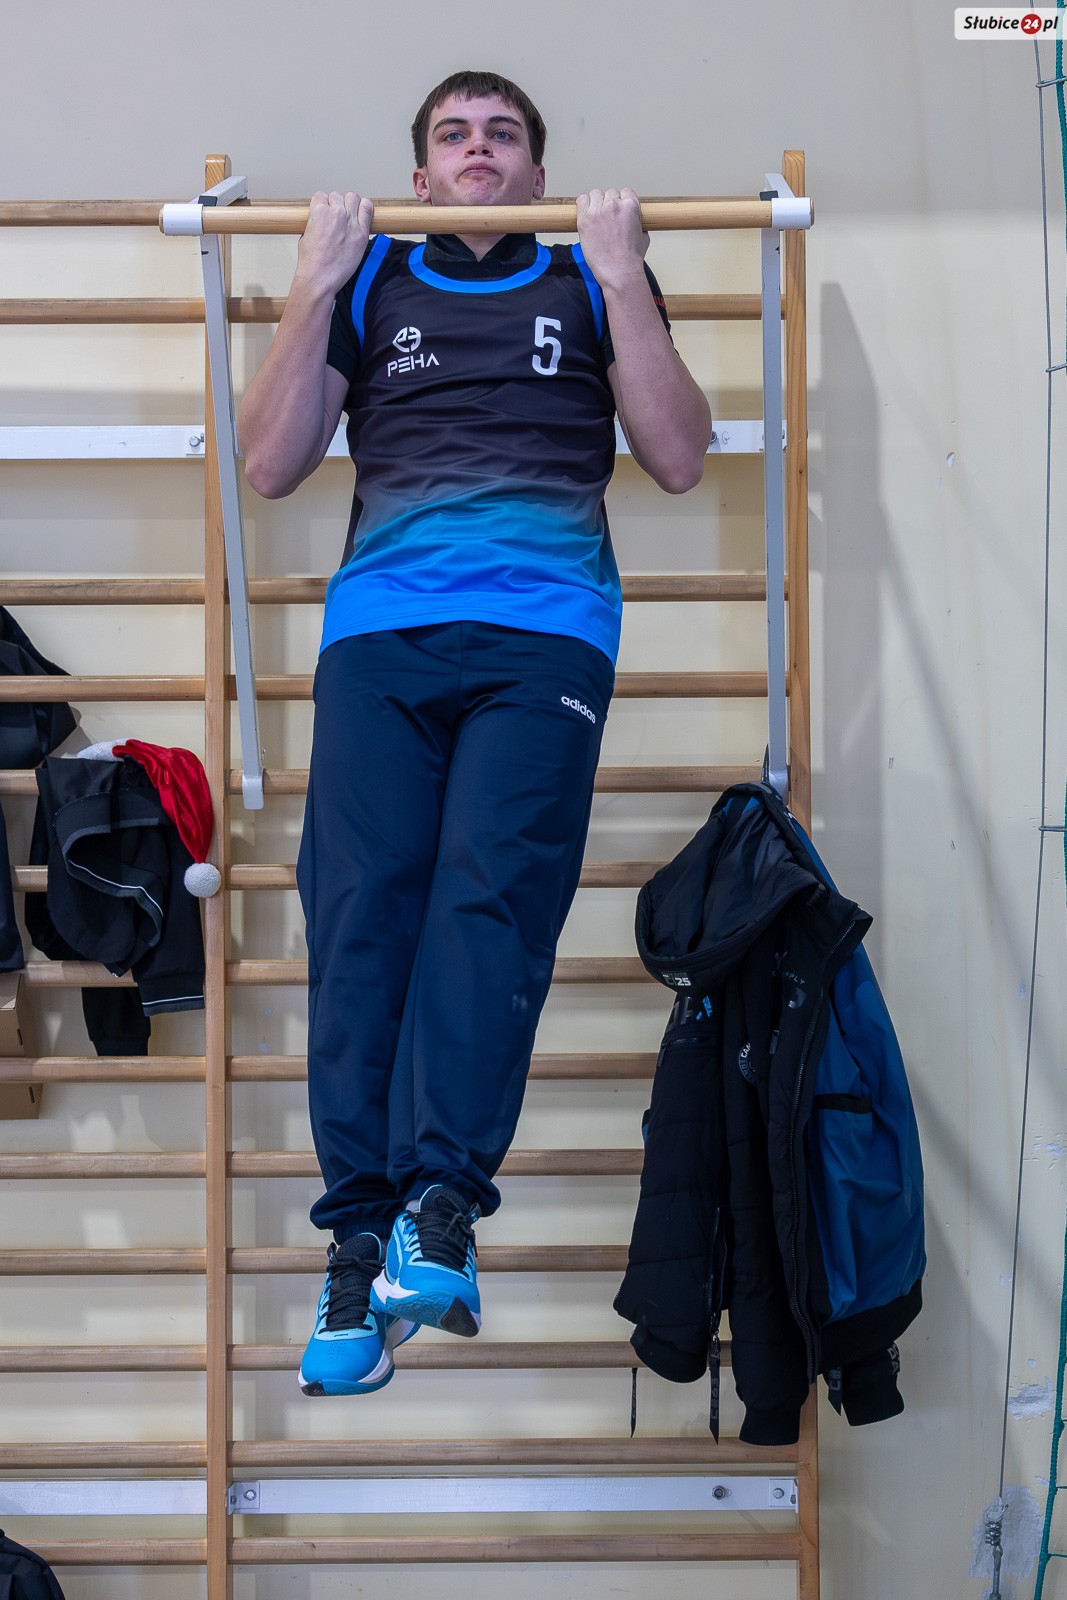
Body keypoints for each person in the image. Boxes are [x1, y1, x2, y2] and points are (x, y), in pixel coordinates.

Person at [238, 69, 712, 1397]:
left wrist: (623, 275)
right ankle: (356, 1245)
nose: (479, 150)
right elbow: (269, 462)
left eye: (503, 135)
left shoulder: (591, 277)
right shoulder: (372, 278)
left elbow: (680, 455)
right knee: (360, 917)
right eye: (454, 136)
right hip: (382, 631)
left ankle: (438, 1208)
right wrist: (311, 282)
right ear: (424, 173)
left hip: (546, 632)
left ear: (537, 170)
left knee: (488, 906)